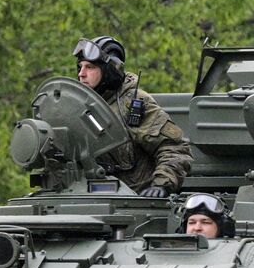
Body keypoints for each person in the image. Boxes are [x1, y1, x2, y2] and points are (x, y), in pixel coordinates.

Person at [73, 36, 192, 197]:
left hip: (133, 199)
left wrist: (161, 185)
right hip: (81, 197)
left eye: (90, 67)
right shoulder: (74, 105)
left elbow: (175, 149)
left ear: (110, 70)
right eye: (80, 67)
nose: (81, 74)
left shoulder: (133, 103)